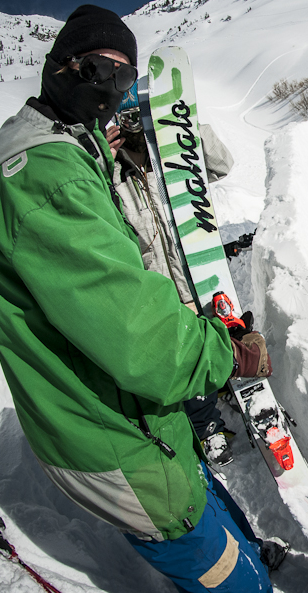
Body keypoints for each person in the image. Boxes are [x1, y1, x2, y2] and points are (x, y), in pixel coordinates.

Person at [0, 5, 275, 592]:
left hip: (142, 390)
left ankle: (248, 554)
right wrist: (223, 355)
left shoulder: (83, 151)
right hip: (120, 422)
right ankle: (245, 577)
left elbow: (209, 162)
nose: (109, 88)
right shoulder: (52, 175)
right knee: (206, 549)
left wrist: (152, 128)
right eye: (95, 69)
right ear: (61, 66)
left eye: (123, 75)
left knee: (195, 481)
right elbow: (135, 329)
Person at [109, 88, 260, 467]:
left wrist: (187, 130)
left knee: (220, 332)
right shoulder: (110, 171)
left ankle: (228, 384)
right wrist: (99, 161)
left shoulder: (174, 157)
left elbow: (222, 164)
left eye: (140, 117)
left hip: (198, 272)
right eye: (126, 118)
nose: (134, 127)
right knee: (184, 357)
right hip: (157, 285)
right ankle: (206, 426)